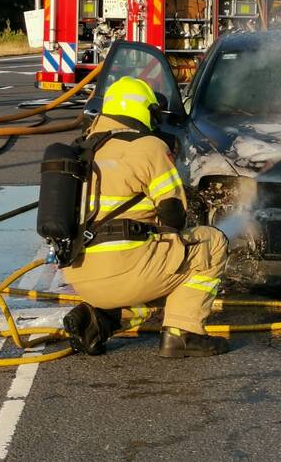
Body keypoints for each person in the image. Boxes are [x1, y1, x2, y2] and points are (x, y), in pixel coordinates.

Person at [60, 76, 230, 359]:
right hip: (128, 272)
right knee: (210, 244)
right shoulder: (147, 146)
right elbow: (173, 216)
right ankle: (183, 333)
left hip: (82, 277)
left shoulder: (82, 149)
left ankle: (98, 320)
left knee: (155, 266)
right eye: (152, 113)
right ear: (140, 110)